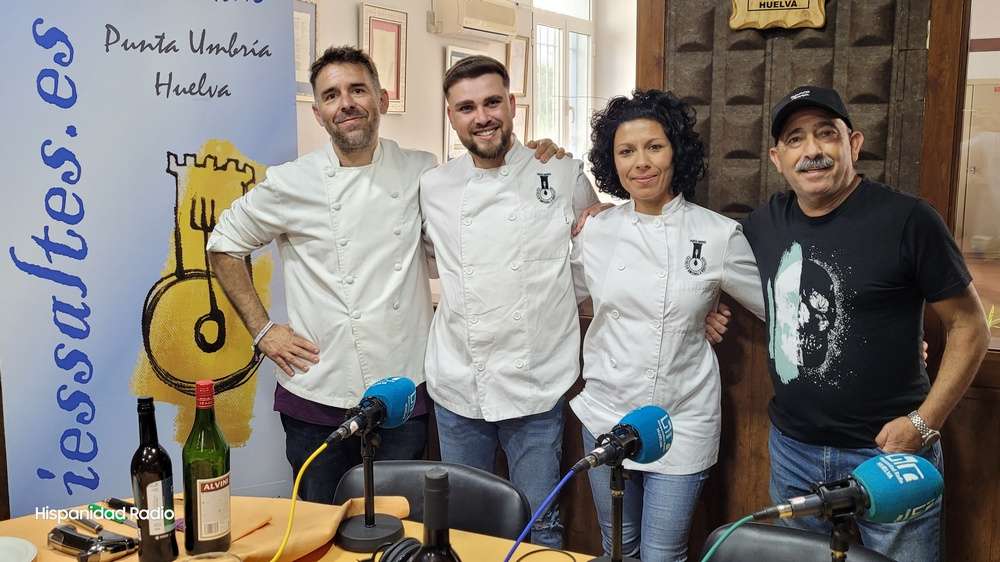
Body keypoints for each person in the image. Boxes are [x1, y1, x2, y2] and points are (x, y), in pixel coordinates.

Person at [207, 46, 566, 504]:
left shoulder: (422, 171)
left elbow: (482, 216)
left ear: (381, 98)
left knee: (402, 522)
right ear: (318, 113)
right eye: (331, 96)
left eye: (358, 90)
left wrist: (535, 158)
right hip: (318, 390)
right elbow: (224, 244)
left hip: (403, 394)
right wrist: (263, 332)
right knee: (319, 523)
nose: (346, 103)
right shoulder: (291, 181)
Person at [707, 85, 989, 561]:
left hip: (890, 452)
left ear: (853, 144)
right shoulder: (764, 224)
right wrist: (607, 210)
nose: (812, 150)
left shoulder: (909, 220)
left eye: (826, 134)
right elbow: (698, 254)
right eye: (795, 139)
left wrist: (924, 424)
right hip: (793, 450)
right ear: (778, 159)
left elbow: (970, 327)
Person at [569, 89, 764, 561]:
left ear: (676, 151)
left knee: (663, 554)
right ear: (612, 162)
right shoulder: (595, 231)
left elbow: (779, 309)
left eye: (654, 147)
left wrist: (884, 341)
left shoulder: (717, 234)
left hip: (683, 415)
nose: (641, 162)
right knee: (618, 547)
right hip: (606, 411)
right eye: (626, 151)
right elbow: (555, 299)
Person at [419, 55, 599, 548]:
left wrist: (548, 308)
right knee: (463, 523)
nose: (482, 117)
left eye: (492, 102)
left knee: (540, 523)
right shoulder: (434, 187)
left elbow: (592, 258)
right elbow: (431, 259)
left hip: (535, 382)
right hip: (459, 382)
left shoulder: (560, 172)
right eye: (466, 107)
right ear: (451, 116)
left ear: (513, 104)